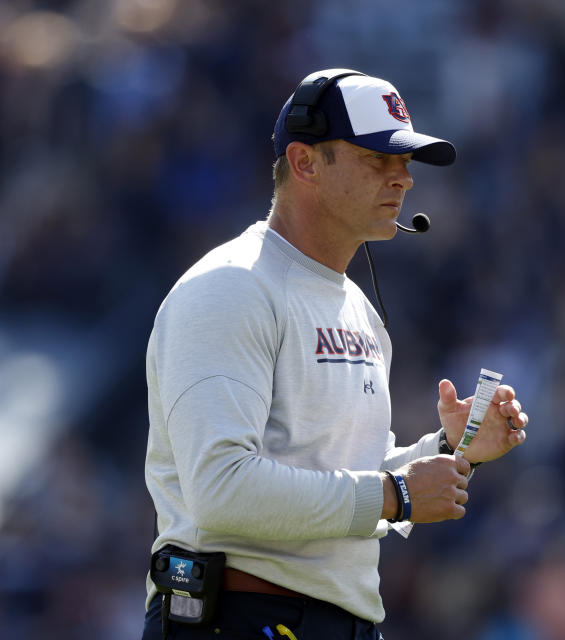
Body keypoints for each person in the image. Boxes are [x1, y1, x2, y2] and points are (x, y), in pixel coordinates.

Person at [140, 68, 529, 640]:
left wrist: (446, 448)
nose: (404, 179)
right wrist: (395, 495)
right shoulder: (230, 286)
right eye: (378, 158)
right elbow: (221, 490)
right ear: (304, 163)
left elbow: (341, 484)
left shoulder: (360, 311)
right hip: (237, 618)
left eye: (406, 162)